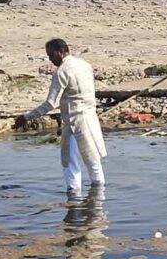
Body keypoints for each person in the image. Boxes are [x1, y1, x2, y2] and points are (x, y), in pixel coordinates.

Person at [14, 39, 107, 193]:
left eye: (51, 55)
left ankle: (74, 197)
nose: (50, 59)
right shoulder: (84, 65)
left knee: (70, 162)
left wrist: (26, 117)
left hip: (74, 122)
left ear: (61, 52)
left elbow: (51, 104)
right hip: (90, 118)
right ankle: (99, 198)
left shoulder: (61, 72)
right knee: (93, 161)